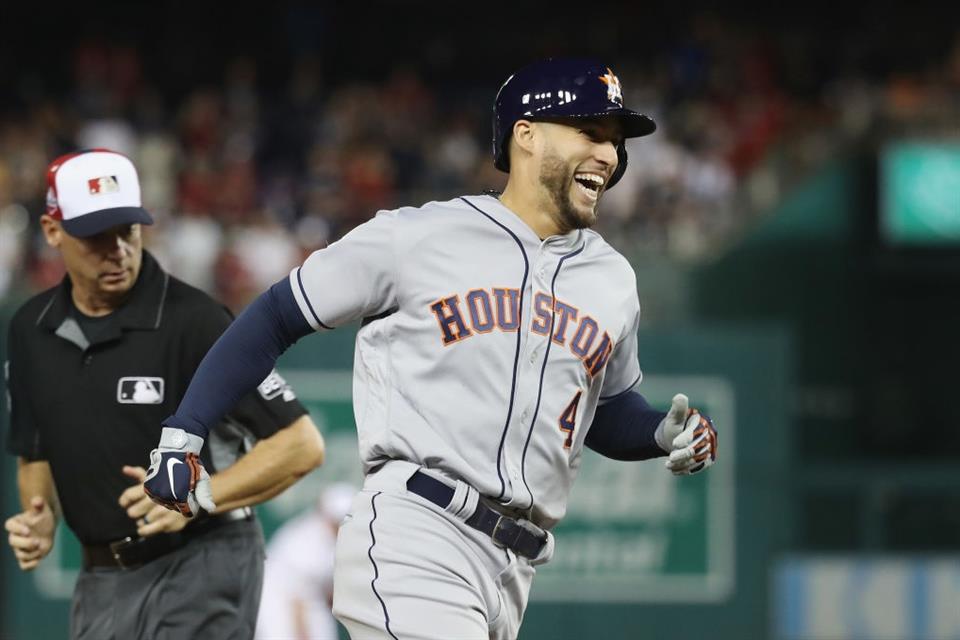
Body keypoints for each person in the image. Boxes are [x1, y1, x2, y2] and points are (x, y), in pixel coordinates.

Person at [143, 58, 719, 640]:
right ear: (526, 134)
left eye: (617, 142)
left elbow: (606, 410)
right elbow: (275, 316)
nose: (610, 155)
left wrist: (660, 435)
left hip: (514, 570)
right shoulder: (416, 237)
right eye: (590, 133)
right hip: (417, 529)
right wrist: (184, 431)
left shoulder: (612, 279)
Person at [3, 148, 325, 640]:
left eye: (127, 230)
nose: (118, 250)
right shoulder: (30, 329)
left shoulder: (194, 321)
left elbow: (301, 443)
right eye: (95, 236)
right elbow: (35, 451)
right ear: (52, 233)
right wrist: (38, 515)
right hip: (101, 577)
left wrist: (200, 497)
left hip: (202, 559)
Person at [255, 482, 357, 640]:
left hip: (308, 601)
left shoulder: (333, 540)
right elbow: (298, 600)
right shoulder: (307, 544)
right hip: (279, 602)